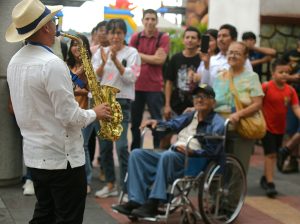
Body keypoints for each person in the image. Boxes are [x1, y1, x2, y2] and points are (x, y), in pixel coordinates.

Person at [5, 0, 111, 223]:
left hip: (35, 156)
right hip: (62, 159)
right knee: (68, 217)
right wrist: (96, 113)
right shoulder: (52, 63)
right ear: (45, 28)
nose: (56, 24)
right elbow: (70, 117)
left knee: (44, 213)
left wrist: (73, 80)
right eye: (53, 21)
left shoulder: (14, 61)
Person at [112, 84, 225, 218]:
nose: (199, 100)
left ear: (213, 102)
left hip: (194, 159)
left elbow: (212, 151)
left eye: (205, 97)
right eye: (197, 96)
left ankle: (154, 202)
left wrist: (192, 152)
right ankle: (136, 200)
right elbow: (172, 124)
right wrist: (156, 123)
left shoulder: (217, 123)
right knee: (137, 154)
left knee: (168, 155)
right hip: (174, 153)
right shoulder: (190, 115)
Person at [92, 19, 141, 198]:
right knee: (104, 148)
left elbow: (132, 78)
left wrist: (116, 61)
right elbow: (94, 78)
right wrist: (105, 62)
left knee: (121, 147)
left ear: (124, 35)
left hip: (121, 102)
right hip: (103, 102)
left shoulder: (132, 52)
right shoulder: (99, 52)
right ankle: (111, 184)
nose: (115, 36)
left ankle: (127, 189)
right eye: (112, 33)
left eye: (119, 33)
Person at [213, 41, 264, 173]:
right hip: (219, 127)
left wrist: (238, 114)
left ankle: (234, 194)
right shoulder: (220, 76)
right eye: (230, 52)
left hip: (241, 126)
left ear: (245, 57)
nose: (233, 56)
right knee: (215, 166)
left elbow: (258, 103)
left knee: (237, 169)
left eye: (237, 53)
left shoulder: (252, 77)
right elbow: (213, 101)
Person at [129, 9, 170, 150]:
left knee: (157, 123)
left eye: (153, 19)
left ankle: (157, 151)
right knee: (135, 123)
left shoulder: (163, 37)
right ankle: (134, 152)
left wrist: (139, 55)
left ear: (157, 21)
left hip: (154, 87)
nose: (150, 22)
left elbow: (160, 60)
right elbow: (130, 59)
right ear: (142, 21)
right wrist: (151, 58)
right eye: (147, 19)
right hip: (136, 86)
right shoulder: (136, 37)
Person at [260, 58, 300, 198]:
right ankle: (270, 184)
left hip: (280, 129)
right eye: (280, 72)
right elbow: (257, 104)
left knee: (274, 154)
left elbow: (296, 107)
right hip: (266, 127)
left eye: (286, 72)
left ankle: (265, 178)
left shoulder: (290, 90)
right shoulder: (266, 87)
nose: (284, 75)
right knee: (270, 154)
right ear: (273, 73)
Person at [66, 33, 94, 194]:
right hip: (69, 113)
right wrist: (78, 89)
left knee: (83, 146)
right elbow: (68, 89)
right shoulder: (64, 66)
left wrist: (78, 90)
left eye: (81, 44)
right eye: (74, 44)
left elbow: (91, 91)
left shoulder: (91, 67)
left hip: (86, 112)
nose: (77, 48)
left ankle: (87, 180)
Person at [164, 26, 201, 120]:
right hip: (175, 106)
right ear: (183, 40)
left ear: (199, 41)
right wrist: (167, 105)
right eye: (187, 37)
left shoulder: (202, 59)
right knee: (168, 133)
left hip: (196, 107)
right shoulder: (175, 58)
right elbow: (169, 82)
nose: (190, 40)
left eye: (193, 38)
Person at [277, 39, 300, 173]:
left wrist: (285, 77)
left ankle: (285, 150)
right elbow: (278, 69)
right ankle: (292, 160)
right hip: (294, 95)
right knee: (291, 130)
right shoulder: (290, 54)